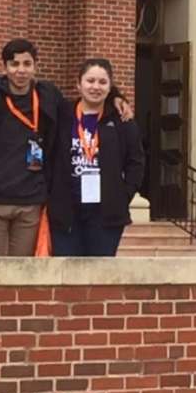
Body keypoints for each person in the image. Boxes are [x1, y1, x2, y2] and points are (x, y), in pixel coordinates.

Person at [0, 39, 133, 256]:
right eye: (14, 64)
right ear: (4, 67)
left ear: (35, 66)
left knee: (23, 271)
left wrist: (117, 97)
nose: (21, 70)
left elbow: (90, 95)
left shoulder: (48, 94)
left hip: (31, 200)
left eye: (27, 64)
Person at [47, 58, 145, 256]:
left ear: (110, 87)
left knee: (100, 276)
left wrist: (123, 194)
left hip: (105, 214)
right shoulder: (62, 115)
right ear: (78, 84)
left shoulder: (121, 120)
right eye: (90, 81)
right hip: (66, 211)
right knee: (67, 274)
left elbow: (136, 162)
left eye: (102, 82)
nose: (95, 87)